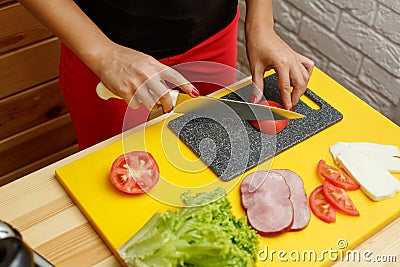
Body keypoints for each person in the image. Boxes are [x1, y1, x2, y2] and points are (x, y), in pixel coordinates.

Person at [19, 0, 314, 149]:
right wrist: (102, 53)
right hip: (108, 57)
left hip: (215, 38)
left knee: (215, 156)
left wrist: (261, 24)